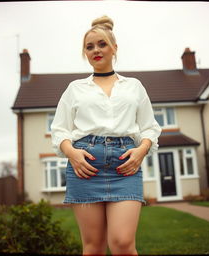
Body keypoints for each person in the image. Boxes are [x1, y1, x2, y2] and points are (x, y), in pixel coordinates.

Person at [51, 15, 162, 256]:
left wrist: (141, 151)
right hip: (85, 168)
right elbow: (60, 130)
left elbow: (150, 128)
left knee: (122, 244)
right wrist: (72, 154)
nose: (96, 50)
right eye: (89, 47)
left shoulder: (134, 86)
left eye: (102, 44)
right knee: (93, 249)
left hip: (125, 167)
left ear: (114, 48)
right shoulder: (75, 89)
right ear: (85, 53)